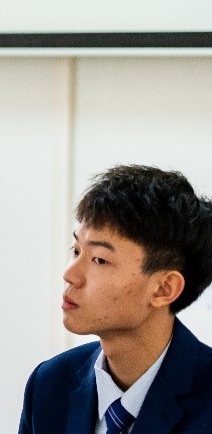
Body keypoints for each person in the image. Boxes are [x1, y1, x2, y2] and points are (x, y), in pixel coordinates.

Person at [19, 164, 212, 433]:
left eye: (100, 260)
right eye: (76, 250)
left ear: (164, 289)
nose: (70, 275)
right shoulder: (50, 383)